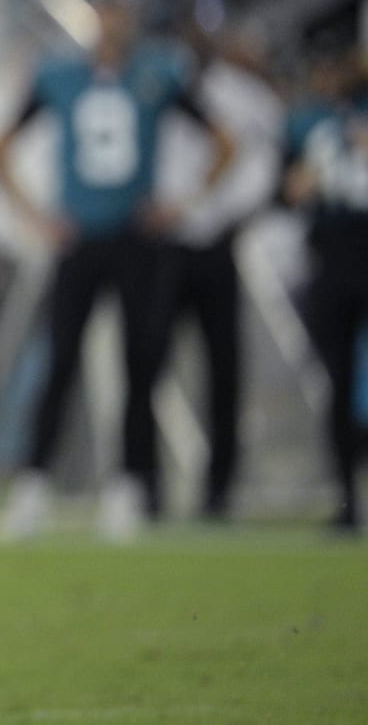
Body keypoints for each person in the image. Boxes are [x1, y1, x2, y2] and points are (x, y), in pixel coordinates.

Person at [0, 0, 236, 541]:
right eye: (104, 9)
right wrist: (34, 215)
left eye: (119, 9)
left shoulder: (159, 71)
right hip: (78, 238)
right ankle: (33, 486)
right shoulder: (58, 74)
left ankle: (130, 487)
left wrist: (183, 204)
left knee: (140, 364)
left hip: (136, 239)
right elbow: (0, 146)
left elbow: (225, 141)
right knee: (59, 362)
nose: (111, 21)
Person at [148, 31, 283, 521]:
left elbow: (258, 162)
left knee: (224, 369)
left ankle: (220, 490)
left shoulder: (245, 96)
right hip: (164, 244)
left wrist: (222, 211)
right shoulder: (155, 80)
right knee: (146, 363)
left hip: (218, 240)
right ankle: (143, 485)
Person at [281, 47, 368, 533]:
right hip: (331, 264)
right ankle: (346, 497)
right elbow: (285, 190)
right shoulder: (309, 123)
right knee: (337, 383)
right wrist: (299, 183)